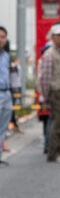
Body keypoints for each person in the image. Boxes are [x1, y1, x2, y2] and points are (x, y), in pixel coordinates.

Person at [38, 23, 60, 162]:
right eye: (58, 35)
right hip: (56, 92)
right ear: (52, 37)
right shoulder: (49, 54)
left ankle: (59, 150)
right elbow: (45, 77)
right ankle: (53, 154)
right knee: (58, 123)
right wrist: (45, 96)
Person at [0, 26, 17, 163]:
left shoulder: (6, 57)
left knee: (4, 126)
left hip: (6, 94)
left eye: (3, 37)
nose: (1, 39)